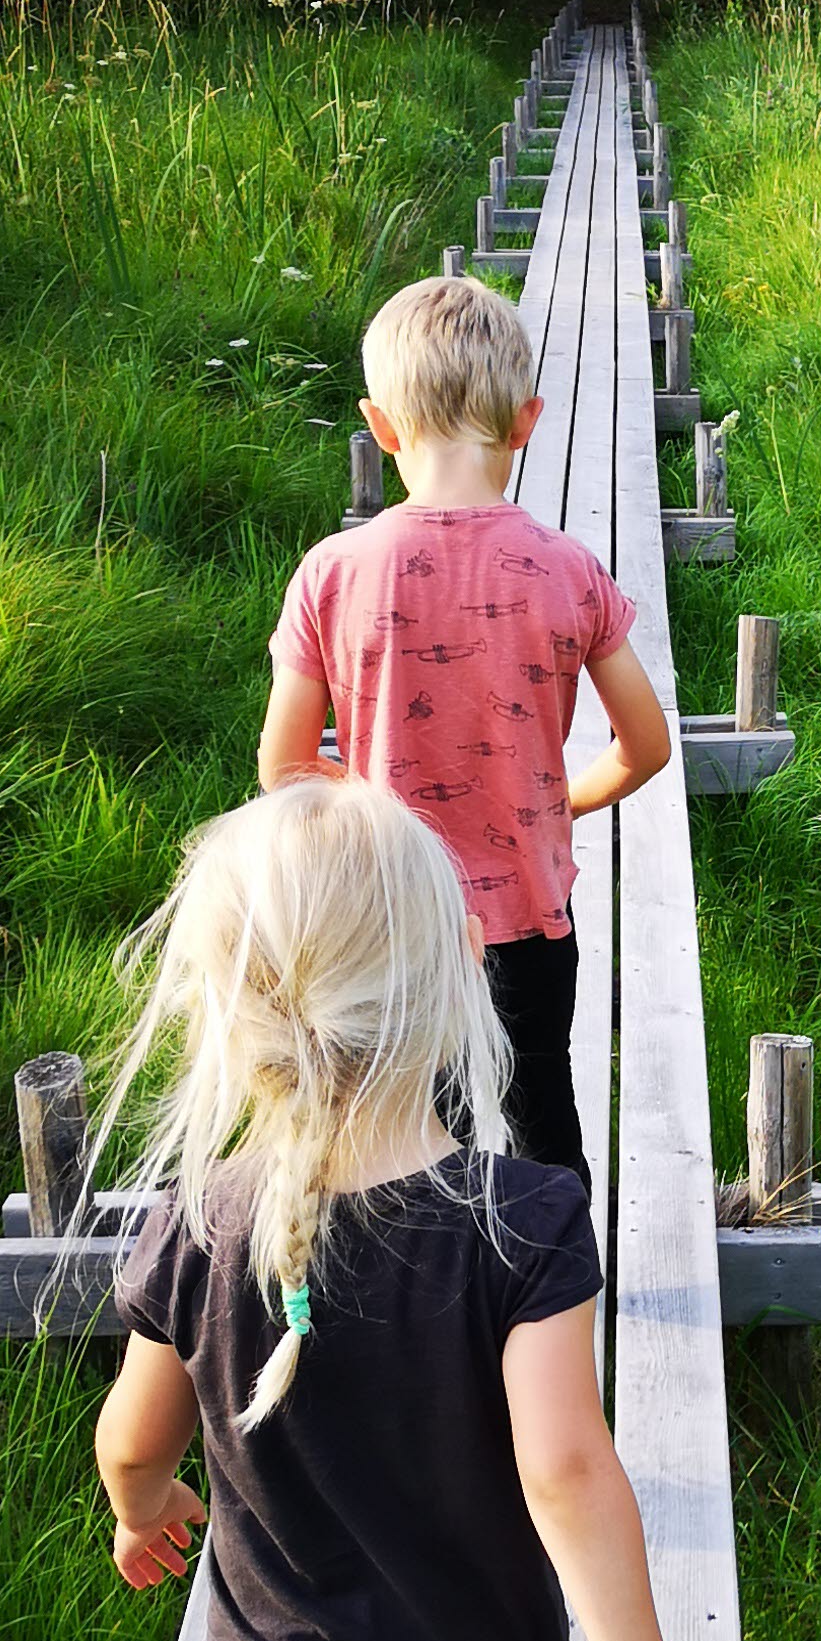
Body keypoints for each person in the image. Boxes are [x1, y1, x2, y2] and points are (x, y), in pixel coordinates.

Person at [88, 776, 678, 1641]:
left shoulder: (204, 1223)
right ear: (457, 970)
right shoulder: (521, 1220)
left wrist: (144, 1505)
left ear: (231, 1019)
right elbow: (567, 1471)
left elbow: (131, 1439)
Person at [256, 272, 674, 1189]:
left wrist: (368, 800)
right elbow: (646, 747)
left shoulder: (331, 573)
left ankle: (439, 1309)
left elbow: (284, 768)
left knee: (409, 1131)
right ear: (525, 423)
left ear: (380, 426)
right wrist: (557, 801)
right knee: (542, 1117)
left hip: (395, 919)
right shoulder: (569, 569)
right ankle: (565, 1302)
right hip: (528, 914)